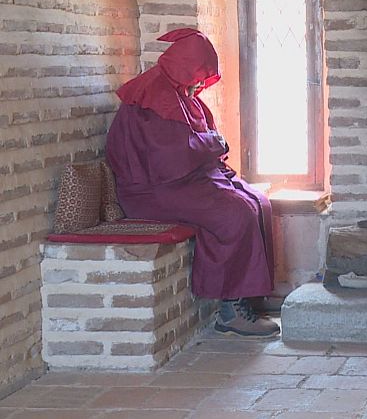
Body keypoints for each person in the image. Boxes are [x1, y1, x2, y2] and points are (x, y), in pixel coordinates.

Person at [106, 28, 280, 337]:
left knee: (257, 201)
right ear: (187, 65)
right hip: (152, 191)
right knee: (235, 213)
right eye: (199, 74)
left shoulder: (177, 91)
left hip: (181, 181)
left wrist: (214, 150)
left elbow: (194, 146)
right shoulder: (155, 95)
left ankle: (247, 298)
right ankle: (230, 311)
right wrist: (214, 143)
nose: (201, 83)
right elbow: (172, 158)